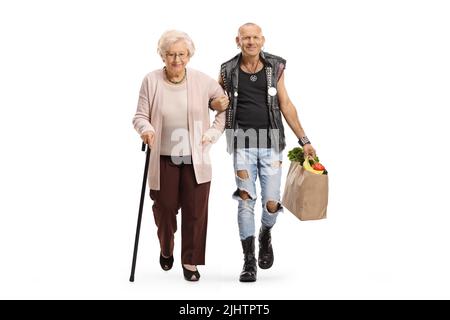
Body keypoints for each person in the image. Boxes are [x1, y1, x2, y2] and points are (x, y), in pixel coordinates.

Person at [215, 23, 316, 282]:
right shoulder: (227, 70)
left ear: (262, 40)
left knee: (271, 202)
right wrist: (213, 107)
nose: (250, 42)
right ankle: (249, 260)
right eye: (245, 38)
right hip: (241, 144)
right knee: (246, 199)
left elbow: (286, 105)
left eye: (255, 37)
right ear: (237, 40)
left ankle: (265, 233)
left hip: (271, 144)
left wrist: (304, 140)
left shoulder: (275, 67)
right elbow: (215, 102)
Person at [132, 30, 228, 281]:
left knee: (196, 211)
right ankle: (166, 246)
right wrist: (147, 129)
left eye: (181, 54)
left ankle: (190, 261)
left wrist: (213, 132)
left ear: (189, 55)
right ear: (162, 55)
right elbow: (140, 116)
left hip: (196, 156)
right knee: (164, 207)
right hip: (163, 155)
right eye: (171, 54)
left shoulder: (203, 81)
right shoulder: (151, 80)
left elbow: (223, 107)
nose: (176, 59)